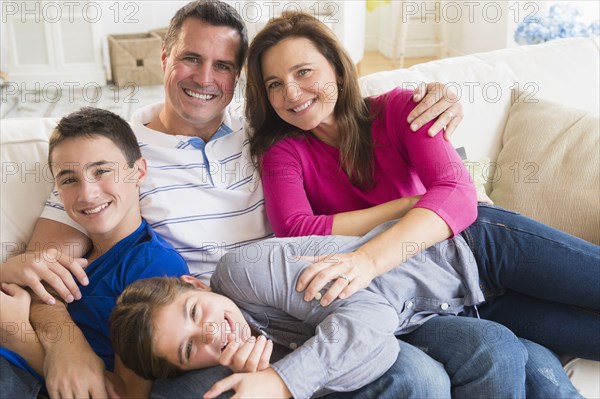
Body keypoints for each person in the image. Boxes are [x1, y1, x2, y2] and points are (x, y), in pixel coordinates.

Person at [0, 0, 465, 396]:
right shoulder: (112, 157)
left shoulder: (267, 132)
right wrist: (65, 347)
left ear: (239, 77)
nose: (205, 78)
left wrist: (436, 98)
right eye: (190, 58)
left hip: (299, 300)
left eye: (223, 66)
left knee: (415, 377)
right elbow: (42, 273)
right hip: (202, 332)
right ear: (164, 57)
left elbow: (340, 104)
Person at [246, 10, 599, 365]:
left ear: (337, 69)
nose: (291, 92)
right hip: (448, 292)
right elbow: (295, 230)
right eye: (274, 83)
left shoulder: (400, 108)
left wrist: (368, 258)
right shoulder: (281, 152)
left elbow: (459, 195)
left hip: (481, 243)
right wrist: (412, 203)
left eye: (303, 71)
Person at [110, 225, 585, 398]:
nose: (211, 333)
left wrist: (280, 383)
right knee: (498, 350)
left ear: (195, 283)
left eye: (195, 311)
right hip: (455, 311)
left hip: (471, 251)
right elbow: (378, 355)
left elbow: (368, 315)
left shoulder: (244, 273)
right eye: (190, 348)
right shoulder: (240, 363)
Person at [0, 107, 190, 398]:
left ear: (138, 171)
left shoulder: (153, 265)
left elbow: (127, 394)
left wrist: (20, 339)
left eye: (101, 171)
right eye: (69, 179)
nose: (87, 194)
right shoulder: (68, 257)